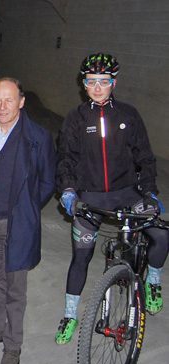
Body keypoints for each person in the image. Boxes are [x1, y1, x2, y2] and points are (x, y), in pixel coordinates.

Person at [55, 53, 167, 344]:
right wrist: (68, 190)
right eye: (91, 81)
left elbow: (145, 157)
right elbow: (66, 159)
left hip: (128, 193)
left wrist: (150, 191)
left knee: (162, 235)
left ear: (113, 83)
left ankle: (153, 280)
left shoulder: (128, 115)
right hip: (90, 197)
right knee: (81, 256)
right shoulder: (76, 119)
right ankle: (69, 314)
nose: (97, 87)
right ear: (84, 84)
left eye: (103, 82)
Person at [0, 78, 56, 364]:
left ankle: (12, 344)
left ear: (21, 102)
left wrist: (28, 208)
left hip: (18, 224)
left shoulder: (38, 138)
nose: (3, 106)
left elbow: (46, 182)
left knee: (15, 289)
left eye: (9, 100)